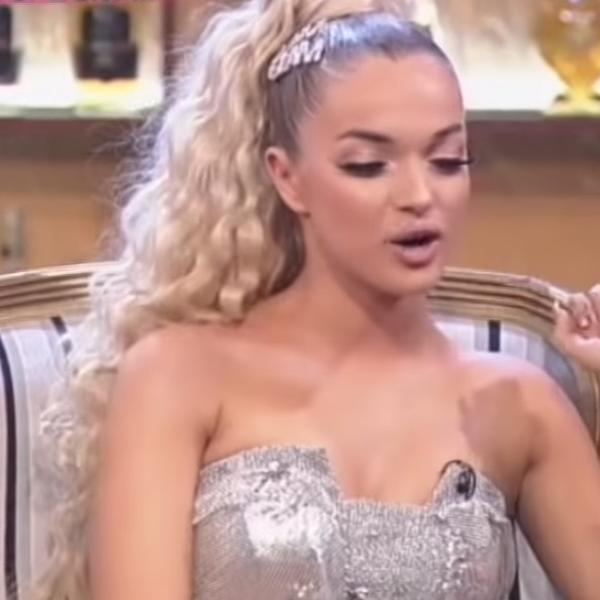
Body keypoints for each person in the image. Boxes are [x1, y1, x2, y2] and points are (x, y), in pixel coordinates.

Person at [30, 1, 600, 599]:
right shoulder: (177, 375)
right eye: (368, 165)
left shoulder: (521, 403)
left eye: (447, 161)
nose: (419, 195)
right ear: (288, 177)